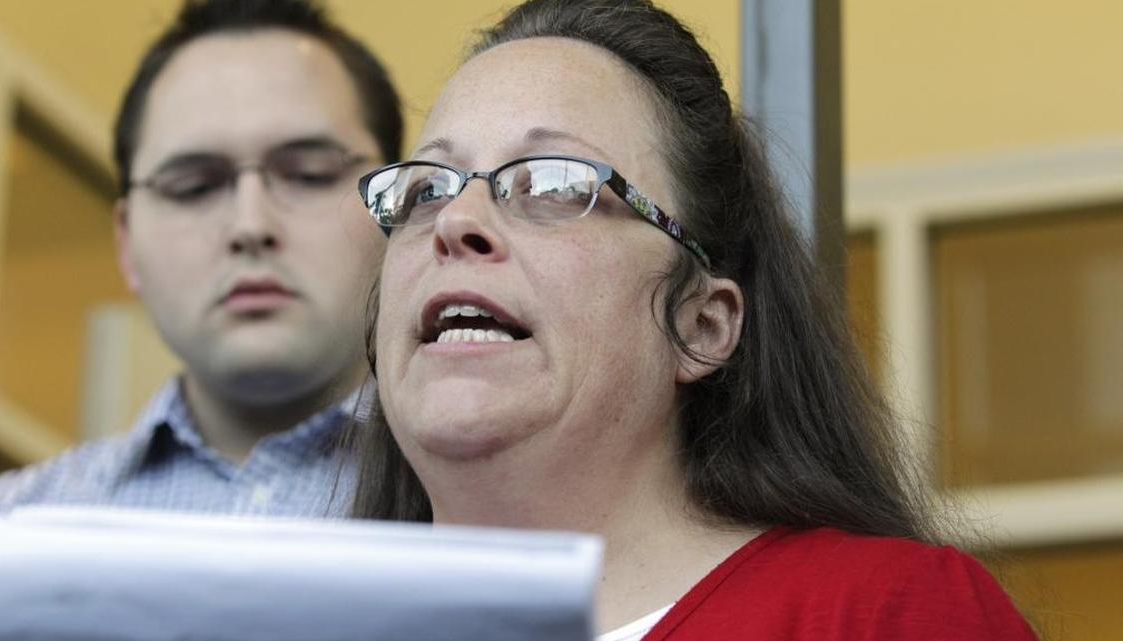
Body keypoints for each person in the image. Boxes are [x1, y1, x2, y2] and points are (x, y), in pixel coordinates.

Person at [351, 0, 1039, 638]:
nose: (457, 221)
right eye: (424, 190)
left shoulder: (883, 612)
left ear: (703, 324)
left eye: (555, 183)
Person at [0, 0, 401, 517]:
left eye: (310, 174)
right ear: (126, 242)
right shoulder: (12, 531)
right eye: (193, 187)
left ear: (397, 208)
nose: (251, 225)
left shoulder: (491, 505)